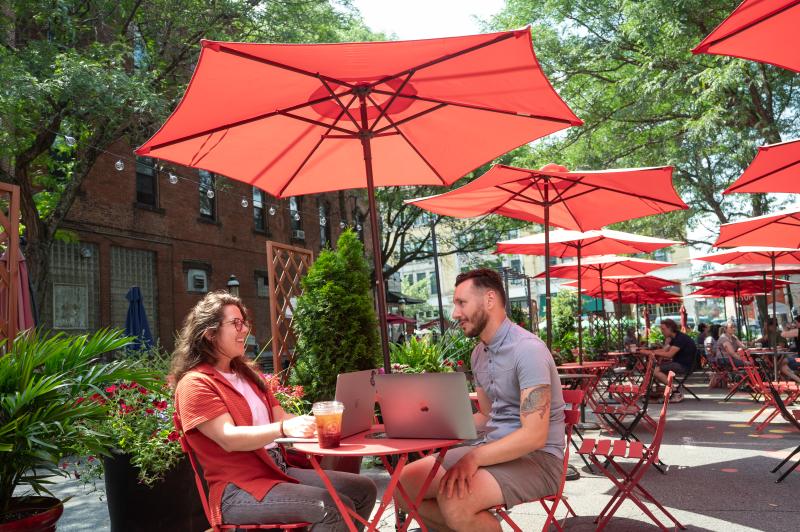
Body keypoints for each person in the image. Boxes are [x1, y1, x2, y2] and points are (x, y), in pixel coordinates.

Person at [172, 291, 377, 531]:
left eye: (244, 322)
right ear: (209, 333)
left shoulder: (248, 375)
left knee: (363, 489)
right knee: (332, 506)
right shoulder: (195, 384)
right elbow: (228, 438)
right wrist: (282, 428)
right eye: (235, 323)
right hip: (238, 489)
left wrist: (312, 422)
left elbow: (281, 417)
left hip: (277, 470)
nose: (244, 330)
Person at [397, 269, 565, 532]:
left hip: (539, 459)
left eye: (461, 303)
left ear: (489, 300)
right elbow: (487, 415)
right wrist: (430, 425)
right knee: (404, 485)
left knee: (455, 500)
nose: (455, 314)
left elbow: (534, 436)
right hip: (492, 448)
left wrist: (474, 458)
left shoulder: (528, 350)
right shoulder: (479, 354)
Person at [640, 318, 696, 403]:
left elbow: (669, 354)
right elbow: (664, 350)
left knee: (655, 371)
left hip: (684, 365)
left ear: (670, 328)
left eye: (663, 329)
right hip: (680, 363)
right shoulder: (675, 337)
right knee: (653, 369)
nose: (662, 331)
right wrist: (650, 352)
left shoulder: (680, 338)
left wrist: (649, 352)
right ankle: (656, 392)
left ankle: (675, 392)